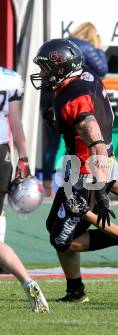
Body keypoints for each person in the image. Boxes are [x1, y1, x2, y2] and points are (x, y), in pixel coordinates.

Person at [30, 38, 118, 303]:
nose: (42, 74)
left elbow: (95, 140)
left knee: (63, 240)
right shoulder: (86, 78)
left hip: (87, 174)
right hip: (91, 166)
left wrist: (99, 189)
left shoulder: (72, 97)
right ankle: (75, 291)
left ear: (61, 68)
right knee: (54, 226)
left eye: (46, 67)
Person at [0, 66, 49, 312]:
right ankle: (28, 281)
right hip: (2, 155)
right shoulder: (9, 78)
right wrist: (24, 157)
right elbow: (15, 122)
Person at [41, 22, 109, 197]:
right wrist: (99, 48)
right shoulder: (85, 47)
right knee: (76, 142)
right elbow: (102, 68)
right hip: (71, 99)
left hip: (51, 98)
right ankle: (82, 185)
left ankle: (47, 185)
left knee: (52, 146)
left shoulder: (63, 44)